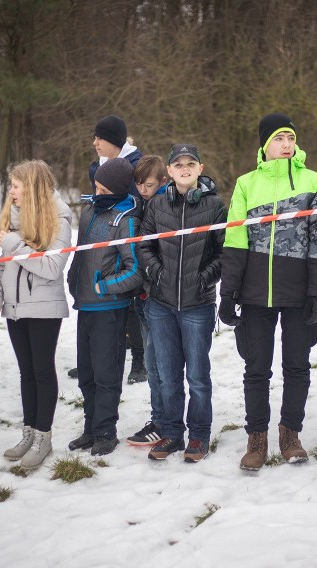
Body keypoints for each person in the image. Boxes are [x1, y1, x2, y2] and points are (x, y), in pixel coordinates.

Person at [220, 113, 317, 471]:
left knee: (297, 366)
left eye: (290, 138)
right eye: (278, 139)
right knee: (256, 368)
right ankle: (257, 439)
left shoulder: (313, 181)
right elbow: (236, 239)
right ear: (264, 145)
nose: (286, 145)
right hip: (255, 294)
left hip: (299, 291)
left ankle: (290, 434)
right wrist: (229, 292)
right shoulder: (246, 184)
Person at [137, 144, 226, 462]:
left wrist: (203, 278)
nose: (184, 168)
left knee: (198, 376)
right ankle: (172, 433)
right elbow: (144, 244)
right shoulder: (158, 203)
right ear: (170, 172)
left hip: (197, 305)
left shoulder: (215, 205)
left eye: (191, 163)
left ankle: (199, 436)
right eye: (178, 164)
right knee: (169, 374)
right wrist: (157, 273)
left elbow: (223, 250)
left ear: (200, 169)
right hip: (161, 304)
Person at [0, 160, 72, 471]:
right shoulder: (16, 219)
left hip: (44, 306)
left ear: (32, 187)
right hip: (15, 307)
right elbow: (5, 264)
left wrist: (12, 243)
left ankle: (43, 437)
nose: (12, 192)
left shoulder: (59, 219)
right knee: (26, 372)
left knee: (42, 371)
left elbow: (51, 267)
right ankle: (29, 431)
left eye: (16, 186)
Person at [67, 158, 144, 457]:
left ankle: (105, 430)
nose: (96, 192)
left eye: (102, 188)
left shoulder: (125, 218)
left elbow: (134, 268)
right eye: (95, 186)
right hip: (85, 305)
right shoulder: (89, 212)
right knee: (86, 374)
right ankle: (90, 428)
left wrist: (104, 286)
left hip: (109, 309)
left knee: (106, 373)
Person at [87, 115, 147, 385]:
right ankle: (99, 356)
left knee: (132, 301)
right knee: (109, 303)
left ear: (114, 141)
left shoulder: (137, 166)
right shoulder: (96, 167)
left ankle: (139, 360)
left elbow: (142, 200)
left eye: (100, 138)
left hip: (132, 235)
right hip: (105, 237)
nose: (95, 142)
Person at [126, 155, 169, 447]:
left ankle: (164, 420)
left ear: (162, 182)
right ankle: (160, 417)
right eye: (139, 184)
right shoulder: (139, 203)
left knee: (159, 363)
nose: (143, 189)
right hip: (142, 295)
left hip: (161, 296)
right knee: (153, 363)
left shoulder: (164, 206)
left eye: (149, 184)